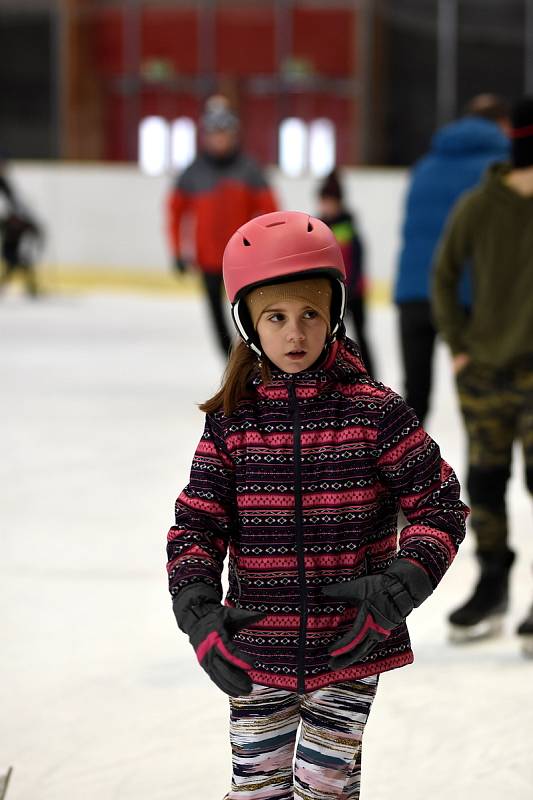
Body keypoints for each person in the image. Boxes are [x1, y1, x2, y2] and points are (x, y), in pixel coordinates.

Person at [166, 210, 468, 798]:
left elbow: (442, 507)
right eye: (276, 317)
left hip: (353, 640)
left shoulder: (375, 412)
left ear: (335, 313)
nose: (295, 334)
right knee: (258, 788)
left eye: (310, 313)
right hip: (256, 644)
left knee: (324, 786)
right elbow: (197, 525)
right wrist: (197, 610)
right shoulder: (233, 422)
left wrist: (397, 588)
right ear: (250, 324)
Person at [432, 97, 533, 656]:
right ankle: (493, 582)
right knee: (487, 483)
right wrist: (459, 347)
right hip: (486, 373)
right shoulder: (479, 206)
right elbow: (444, 274)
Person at [394, 93, 510, 423]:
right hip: (468, 296)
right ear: (502, 125)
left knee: (416, 395)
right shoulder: (500, 168)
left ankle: (400, 470)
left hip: (413, 292)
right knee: (482, 395)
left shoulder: (424, 165)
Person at [166, 95, 277, 356]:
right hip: (209, 260)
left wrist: (269, 251)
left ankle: (257, 360)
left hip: (244, 259)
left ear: (234, 134)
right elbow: (174, 213)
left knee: (251, 315)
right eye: (214, 133)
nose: (219, 139)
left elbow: (271, 213)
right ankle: (231, 368)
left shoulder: (250, 170)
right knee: (217, 318)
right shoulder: (192, 172)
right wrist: (178, 251)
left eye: (224, 132)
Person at [317, 169, 375, 375]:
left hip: (354, 292)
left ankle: (370, 374)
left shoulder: (349, 225)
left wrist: (353, 286)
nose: (327, 206)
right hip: (332, 294)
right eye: (324, 201)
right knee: (330, 337)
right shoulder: (317, 227)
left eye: (331, 201)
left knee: (361, 335)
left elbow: (359, 257)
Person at [0, 162, 42, 297]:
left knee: (16, 263)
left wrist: (34, 229)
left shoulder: (7, 188)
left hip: (13, 240)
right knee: (15, 262)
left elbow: (34, 229)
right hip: (10, 240)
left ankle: (31, 287)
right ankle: (31, 287)